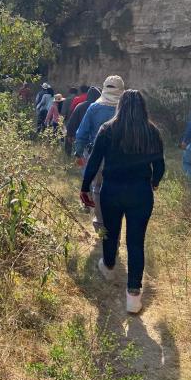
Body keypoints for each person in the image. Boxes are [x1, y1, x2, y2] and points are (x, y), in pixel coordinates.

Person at [80, 90, 165, 314]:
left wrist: (85, 187)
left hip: (112, 190)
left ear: (120, 105)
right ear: (143, 107)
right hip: (140, 193)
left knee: (110, 233)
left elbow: (94, 162)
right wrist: (154, 182)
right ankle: (134, 297)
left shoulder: (108, 129)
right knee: (136, 243)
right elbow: (160, 166)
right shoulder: (152, 131)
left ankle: (108, 265)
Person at [75, 76, 125, 232]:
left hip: (97, 156)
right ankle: (114, 221)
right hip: (121, 158)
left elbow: (81, 132)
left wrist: (78, 152)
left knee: (97, 188)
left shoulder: (94, 108)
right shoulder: (125, 109)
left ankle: (100, 222)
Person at [61, 87, 78, 155]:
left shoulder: (67, 99)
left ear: (70, 92)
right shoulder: (79, 99)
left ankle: (68, 153)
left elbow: (63, 112)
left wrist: (61, 122)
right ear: (76, 93)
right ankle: (76, 153)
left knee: (68, 137)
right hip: (78, 121)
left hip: (69, 121)